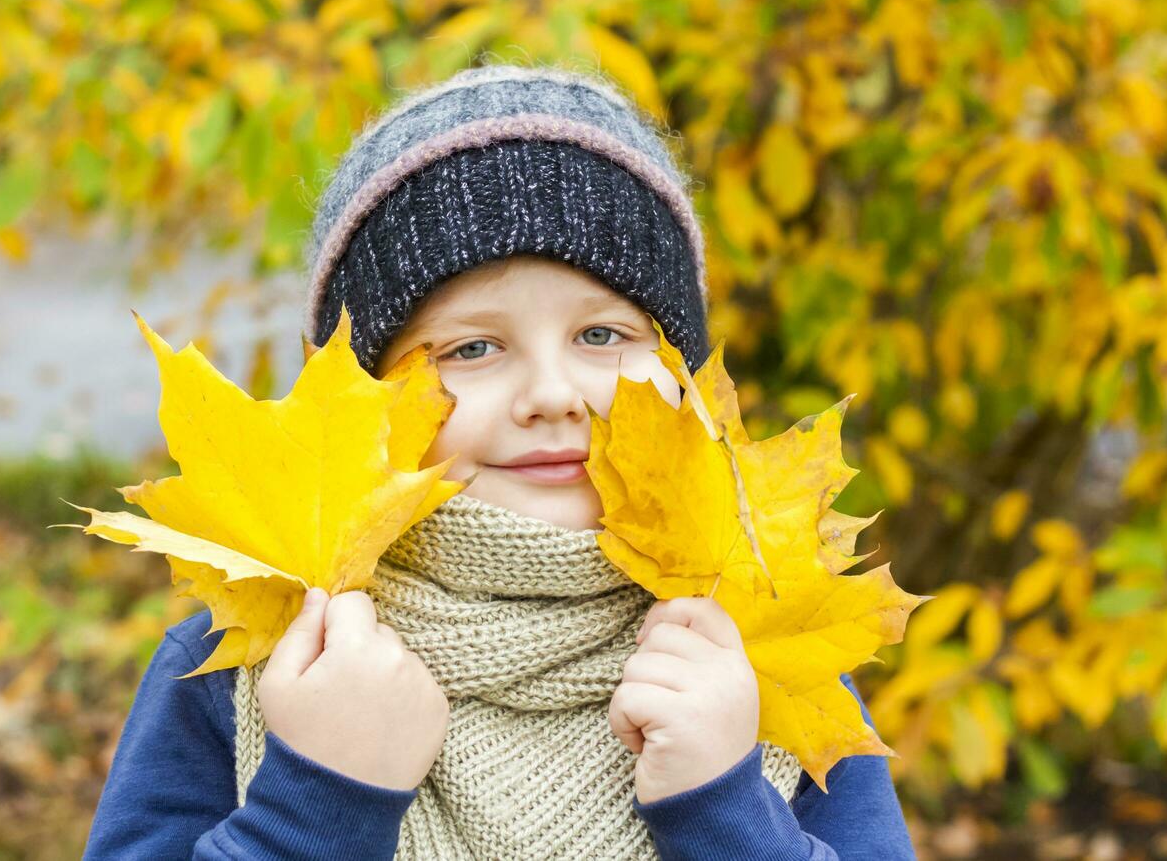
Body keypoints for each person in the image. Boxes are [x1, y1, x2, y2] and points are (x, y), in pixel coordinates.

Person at [82, 62, 917, 859]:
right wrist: (318, 802)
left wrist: (723, 810)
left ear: (685, 380)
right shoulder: (255, 661)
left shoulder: (762, 661)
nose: (552, 394)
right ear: (365, 400)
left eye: (602, 335)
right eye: (473, 348)